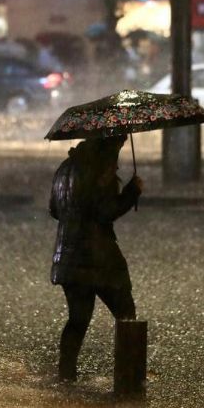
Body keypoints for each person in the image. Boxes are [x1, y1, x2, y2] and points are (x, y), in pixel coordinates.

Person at [49, 135, 144, 382]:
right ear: (108, 144)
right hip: (99, 260)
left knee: (78, 319)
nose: (119, 152)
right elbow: (106, 211)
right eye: (118, 144)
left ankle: (65, 374)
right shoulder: (101, 165)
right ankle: (130, 377)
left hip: (68, 256)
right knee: (126, 314)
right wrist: (132, 192)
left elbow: (54, 209)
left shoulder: (65, 168)